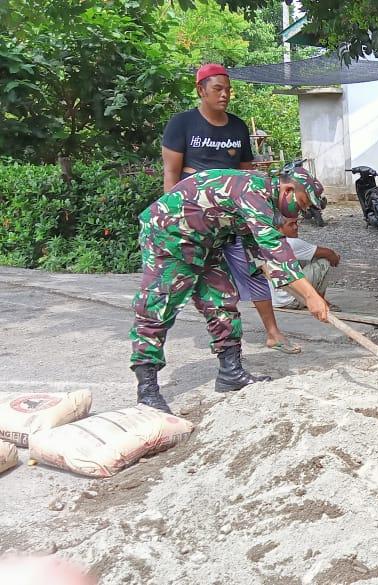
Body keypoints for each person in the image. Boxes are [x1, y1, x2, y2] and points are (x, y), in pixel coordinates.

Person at [130, 165, 330, 414]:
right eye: (301, 205)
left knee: (222, 299)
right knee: (158, 307)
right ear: (288, 189)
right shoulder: (252, 191)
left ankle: (230, 372)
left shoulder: (263, 199)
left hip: (207, 242)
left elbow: (264, 256)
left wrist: (301, 292)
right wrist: (311, 296)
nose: (299, 214)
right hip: (170, 235)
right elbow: (277, 249)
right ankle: (147, 390)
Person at [161, 63, 301, 355]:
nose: (225, 95)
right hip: (194, 218)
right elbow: (172, 174)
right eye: (218, 89)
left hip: (233, 217)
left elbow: (246, 175)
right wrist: (172, 216)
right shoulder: (182, 124)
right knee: (183, 279)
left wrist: (252, 215)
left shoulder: (237, 126)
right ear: (201, 90)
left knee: (254, 269)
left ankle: (273, 333)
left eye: (228, 89)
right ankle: (160, 340)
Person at [268, 217, 342, 311]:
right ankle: (320, 301)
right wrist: (335, 259)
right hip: (292, 299)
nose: (295, 227)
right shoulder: (291, 242)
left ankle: (313, 298)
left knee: (309, 257)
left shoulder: (269, 242)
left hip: (277, 301)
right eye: (291, 225)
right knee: (324, 261)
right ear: (279, 228)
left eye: (296, 223)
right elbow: (329, 254)